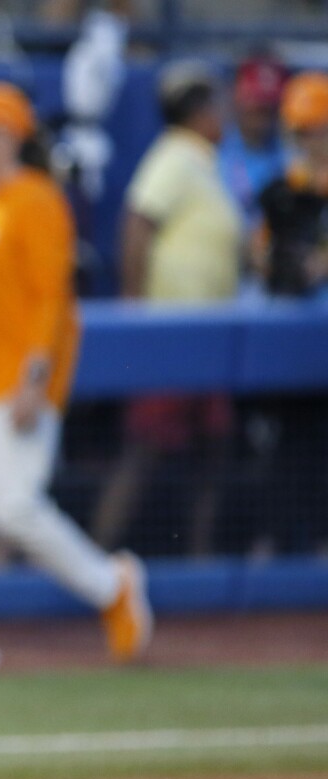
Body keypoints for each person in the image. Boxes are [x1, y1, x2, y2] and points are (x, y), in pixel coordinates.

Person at [0, 81, 152, 676]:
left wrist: (36, 380)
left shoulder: (36, 198)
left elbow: (51, 302)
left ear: (8, 135)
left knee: (13, 507)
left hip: (14, 382)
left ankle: (110, 585)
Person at [89, 61, 241, 559]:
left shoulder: (206, 161)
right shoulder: (174, 156)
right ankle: (94, 561)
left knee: (211, 451)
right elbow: (136, 224)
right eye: (216, 106)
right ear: (197, 112)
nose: (224, 115)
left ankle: (199, 560)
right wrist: (135, 311)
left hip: (210, 335)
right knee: (145, 450)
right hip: (172, 333)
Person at [245, 70, 328, 557]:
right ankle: (271, 543)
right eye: (299, 130)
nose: (306, 140)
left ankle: (320, 542)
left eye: (314, 129)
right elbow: (258, 250)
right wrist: (268, 256)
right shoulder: (281, 185)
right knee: (281, 443)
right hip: (289, 328)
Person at [218, 53, 290, 243]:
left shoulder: (289, 154)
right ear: (236, 97)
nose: (261, 111)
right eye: (254, 103)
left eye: (268, 105)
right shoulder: (214, 146)